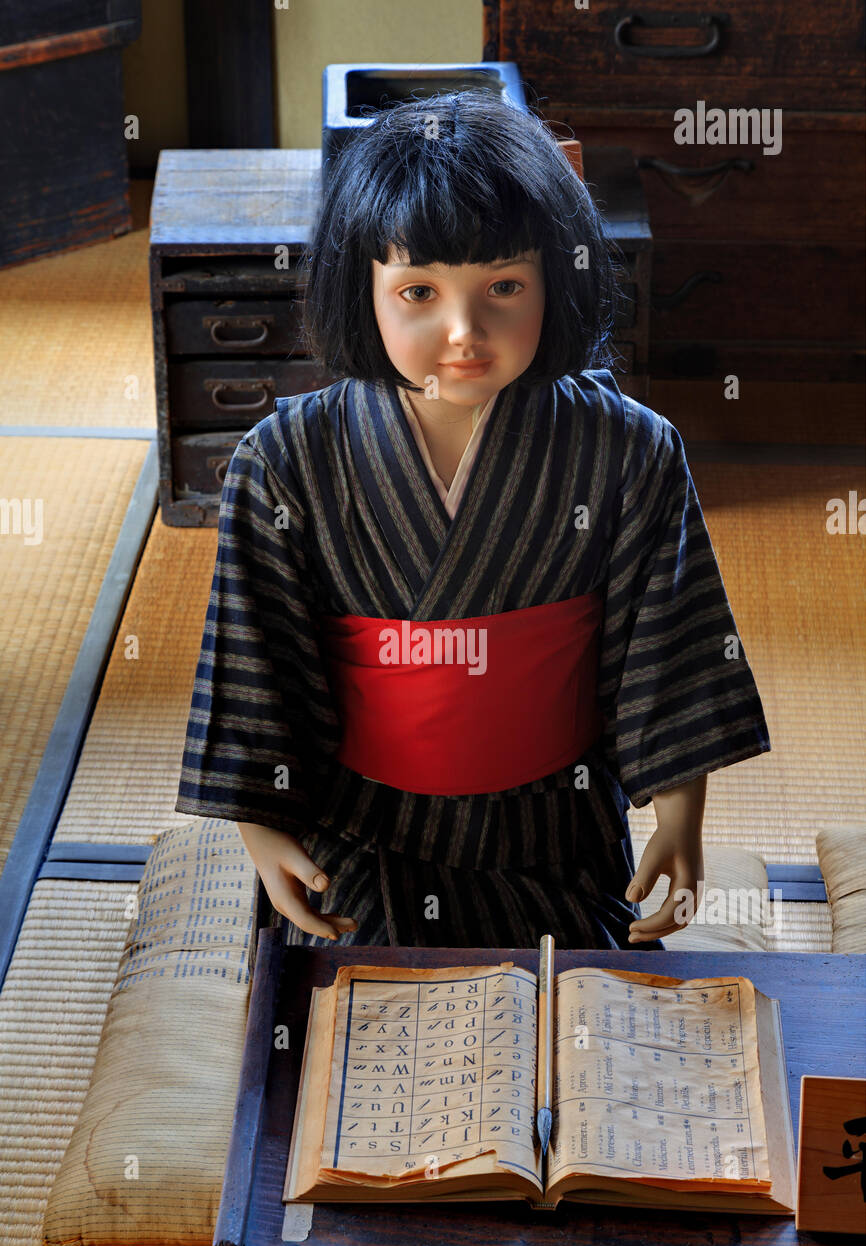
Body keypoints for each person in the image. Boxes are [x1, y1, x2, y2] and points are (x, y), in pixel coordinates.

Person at [175, 90, 770, 963]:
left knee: (571, 1026)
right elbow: (258, 657)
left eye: (504, 287)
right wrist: (261, 828)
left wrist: (681, 819)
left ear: (554, 281)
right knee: (353, 1016)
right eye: (418, 290)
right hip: (364, 834)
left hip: (550, 832)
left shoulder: (628, 451)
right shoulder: (286, 459)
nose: (464, 331)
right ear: (361, 288)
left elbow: (668, 646)